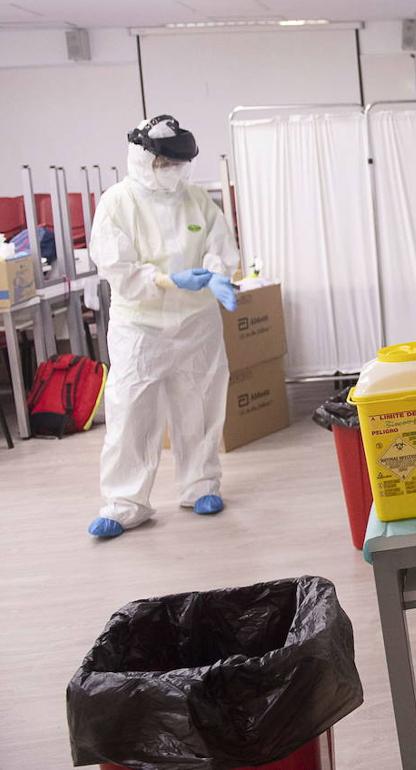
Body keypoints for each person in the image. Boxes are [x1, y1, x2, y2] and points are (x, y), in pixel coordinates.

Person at [87, 115, 240, 539]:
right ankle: (125, 502)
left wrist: (218, 274)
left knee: (201, 405)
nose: (173, 171)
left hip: (197, 324)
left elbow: (218, 245)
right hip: (142, 327)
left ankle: (201, 485)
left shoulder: (196, 200)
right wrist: (168, 280)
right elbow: (118, 268)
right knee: (132, 411)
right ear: (142, 158)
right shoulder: (117, 202)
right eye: (165, 163)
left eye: (179, 163)